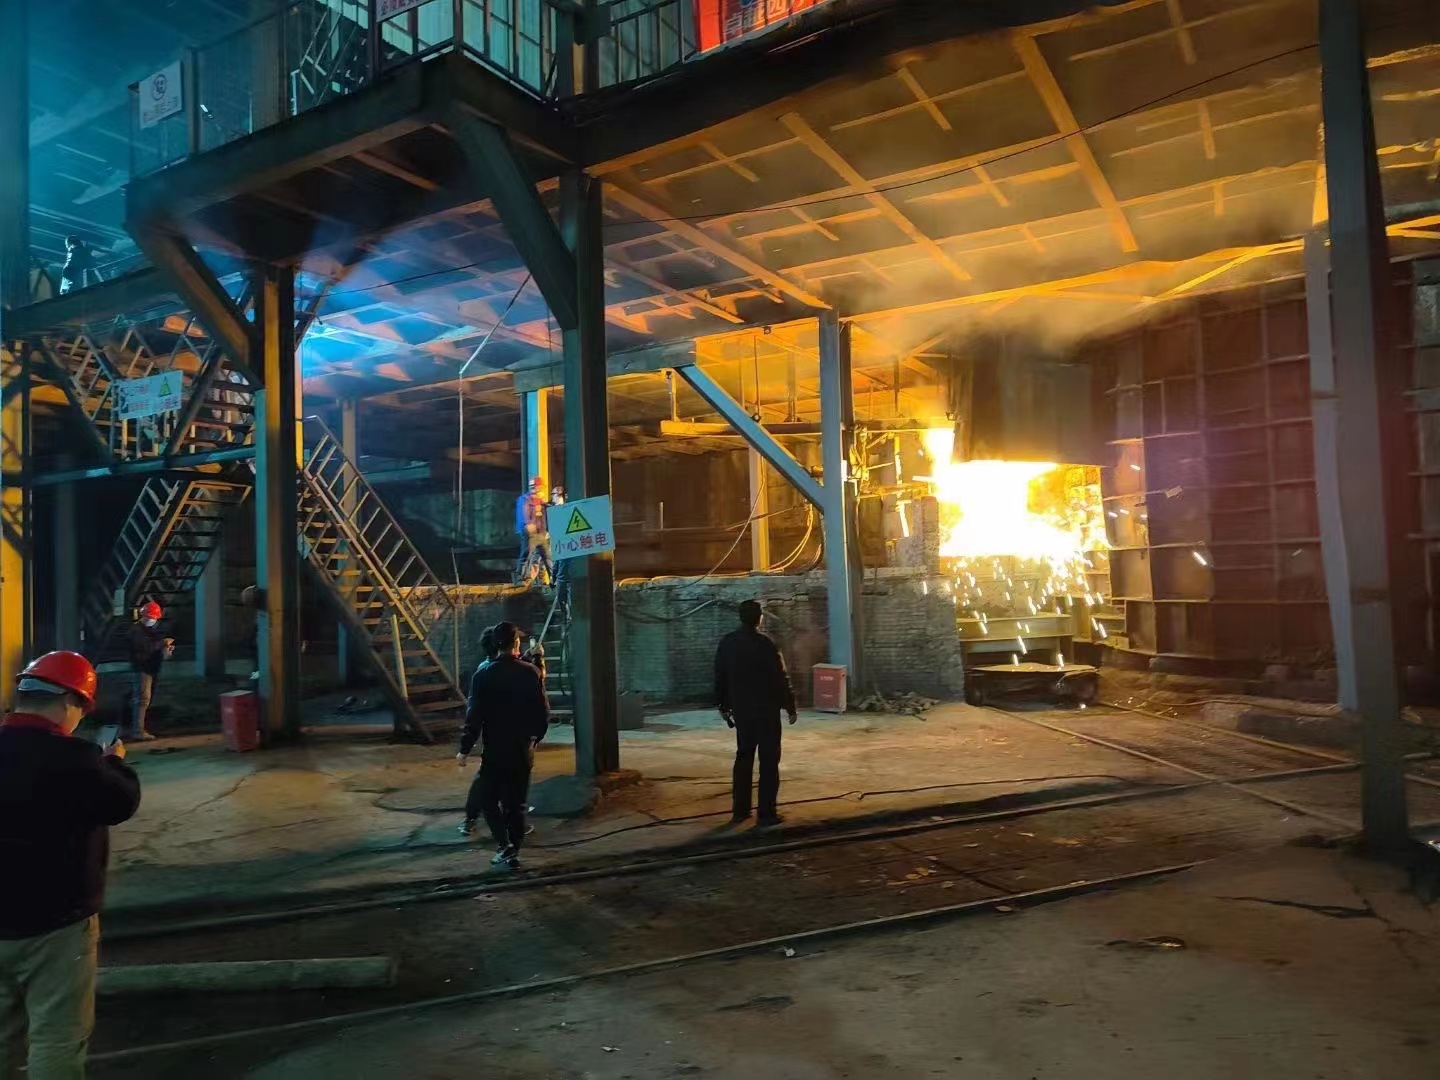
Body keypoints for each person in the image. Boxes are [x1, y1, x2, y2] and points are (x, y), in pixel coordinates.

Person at [0, 651, 141, 1079]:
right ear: (68, 702)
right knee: (57, 1035)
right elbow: (121, 801)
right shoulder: (76, 758)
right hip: (57, 923)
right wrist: (113, 761)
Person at [456, 622, 549, 869]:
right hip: (522, 749)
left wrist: (465, 748)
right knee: (516, 805)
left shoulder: (482, 675)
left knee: (488, 800)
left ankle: (504, 845)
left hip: (496, 749)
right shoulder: (530, 673)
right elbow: (542, 711)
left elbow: (474, 716)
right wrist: (535, 737)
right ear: (516, 643)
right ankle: (514, 851)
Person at [714, 600, 798, 827]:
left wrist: (723, 706)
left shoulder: (728, 643)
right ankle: (766, 814)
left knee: (744, 757)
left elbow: (720, 676)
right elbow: (780, 678)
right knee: (769, 761)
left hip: (742, 711)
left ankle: (740, 811)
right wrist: (790, 706)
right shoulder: (766, 644)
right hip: (766, 711)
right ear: (759, 618)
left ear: (740, 617)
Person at [457, 626, 501, 838]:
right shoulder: (489, 671)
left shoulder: (484, 669)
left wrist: (466, 747)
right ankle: (473, 817)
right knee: (490, 779)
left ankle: (473, 817)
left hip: (496, 735)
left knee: (492, 778)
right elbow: (474, 714)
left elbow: (474, 714)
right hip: (503, 735)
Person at [126, 602, 170, 741]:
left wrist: (165, 649)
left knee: (144, 699)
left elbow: (154, 648)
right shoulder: (135, 631)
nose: (152, 620)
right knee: (142, 699)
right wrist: (161, 644)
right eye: (150, 617)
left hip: (151, 668)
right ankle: (137, 731)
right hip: (142, 668)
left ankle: (139, 728)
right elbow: (146, 648)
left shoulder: (152, 631)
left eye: (154, 618)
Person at [514, 476, 552, 587]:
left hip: (541, 533)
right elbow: (522, 514)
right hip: (530, 533)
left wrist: (546, 530)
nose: (539, 489)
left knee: (547, 557)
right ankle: (520, 579)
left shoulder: (541, 501)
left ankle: (554, 579)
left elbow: (543, 517)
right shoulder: (524, 500)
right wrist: (527, 525)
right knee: (526, 555)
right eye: (538, 486)